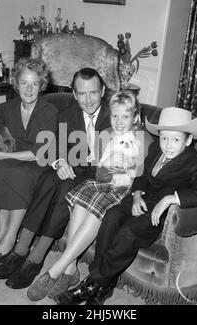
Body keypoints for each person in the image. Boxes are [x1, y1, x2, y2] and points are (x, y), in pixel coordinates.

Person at [55, 106, 197, 305]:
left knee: (128, 233)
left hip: (156, 214)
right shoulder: (155, 149)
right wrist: (137, 194)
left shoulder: (194, 164)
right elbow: (141, 175)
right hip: (139, 200)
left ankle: (91, 284)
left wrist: (170, 199)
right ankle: (104, 285)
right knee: (111, 216)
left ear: (188, 140)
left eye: (176, 139)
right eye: (164, 138)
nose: (168, 145)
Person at [0, 68, 110, 291]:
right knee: (47, 179)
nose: (88, 99)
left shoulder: (116, 114)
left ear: (103, 91)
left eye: (93, 92)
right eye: (82, 94)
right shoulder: (67, 113)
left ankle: (36, 257)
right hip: (75, 167)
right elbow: (54, 146)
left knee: (65, 190)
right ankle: (21, 249)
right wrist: (60, 161)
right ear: (74, 94)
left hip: (101, 174)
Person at [25, 91, 143, 301]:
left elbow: (140, 174)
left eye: (125, 117)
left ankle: (55, 270)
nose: (119, 121)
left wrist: (120, 171)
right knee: (80, 200)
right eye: (115, 116)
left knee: (95, 209)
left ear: (135, 118)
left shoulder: (140, 139)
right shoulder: (106, 133)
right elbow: (97, 166)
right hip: (100, 182)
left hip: (121, 189)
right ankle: (71, 271)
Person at [0, 57, 58, 265]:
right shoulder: (10, 107)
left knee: (16, 172)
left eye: (35, 84)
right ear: (16, 85)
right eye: (24, 83)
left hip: (42, 163)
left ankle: (11, 235)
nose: (29, 89)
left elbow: (39, 154)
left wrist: (0, 154)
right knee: (2, 169)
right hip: (18, 158)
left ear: (42, 86)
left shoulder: (49, 111)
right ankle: (1, 231)